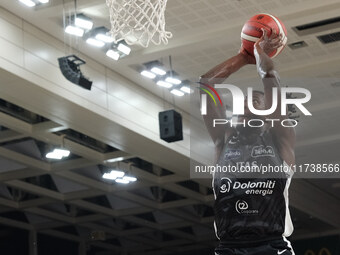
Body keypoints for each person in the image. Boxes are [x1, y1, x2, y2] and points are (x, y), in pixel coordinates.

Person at [199, 29, 296, 255]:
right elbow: (205, 85)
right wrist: (243, 57)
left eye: (256, 100)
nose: (247, 102)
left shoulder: (280, 138)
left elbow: (270, 77)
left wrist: (258, 50)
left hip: (272, 245)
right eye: (244, 100)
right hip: (229, 247)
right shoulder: (223, 140)